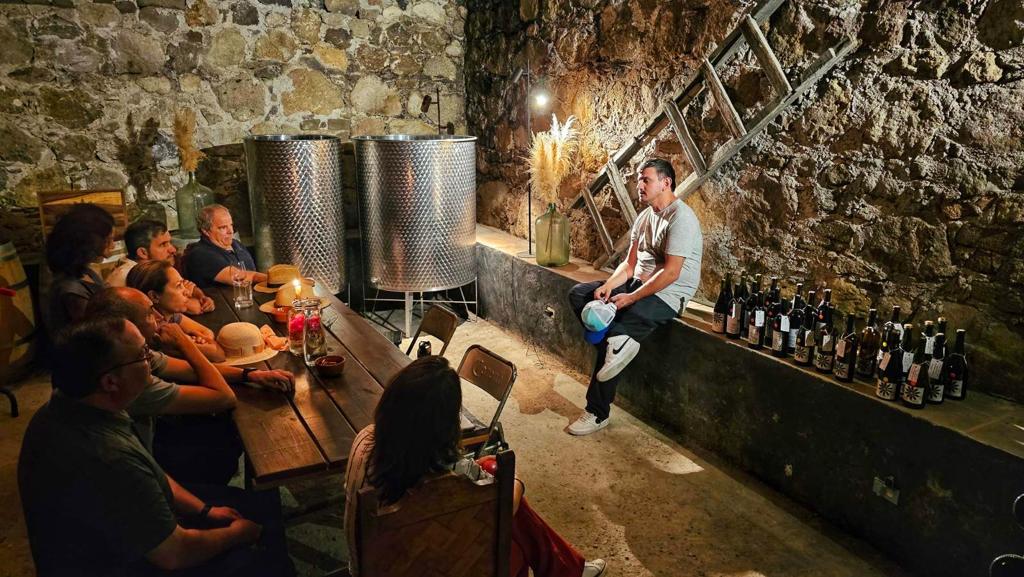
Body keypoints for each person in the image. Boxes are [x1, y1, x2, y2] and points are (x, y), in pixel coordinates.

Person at [18, 317, 293, 577]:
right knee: (264, 543)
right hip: (115, 566)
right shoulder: (106, 454)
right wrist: (237, 534)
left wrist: (203, 510)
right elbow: (175, 554)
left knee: (261, 503)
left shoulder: (75, 407)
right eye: (143, 355)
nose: (151, 359)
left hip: (125, 541)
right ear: (110, 381)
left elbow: (149, 470)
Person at [344, 356, 607, 577]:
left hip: (372, 562)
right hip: (422, 562)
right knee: (514, 539)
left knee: (490, 471)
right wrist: (517, 481)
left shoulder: (366, 439)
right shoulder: (448, 474)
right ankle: (567, 569)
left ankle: (568, 567)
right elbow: (505, 507)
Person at [85, 287, 295, 487]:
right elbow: (223, 397)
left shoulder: (128, 352)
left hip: (154, 448)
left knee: (227, 429)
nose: (158, 316)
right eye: (149, 313)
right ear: (127, 327)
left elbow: (188, 370)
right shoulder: (131, 376)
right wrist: (184, 342)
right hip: (148, 473)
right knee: (233, 434)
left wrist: (251, 374)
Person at [567, 158, 703, 435]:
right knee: (580, 294)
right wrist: (610, 285)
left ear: (666, 183)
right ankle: (611, 345)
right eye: (639, 179)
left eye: (646, 179)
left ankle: (597, 413)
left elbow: (671, 273)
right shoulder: (644, 217)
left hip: (668, 294)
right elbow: (629, 265)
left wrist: (630, 298)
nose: (639, 185)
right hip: (638, 285)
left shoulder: (682, 218)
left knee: (617, 333)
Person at [107, 219, 215, 315]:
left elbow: (188, 286)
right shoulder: (133, 274)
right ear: (143, 253)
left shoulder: (151, 267)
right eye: (163, 244)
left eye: (170, 243)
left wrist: (201, 297)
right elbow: (195, 308)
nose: (172, 249)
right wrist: (192, 297)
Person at [127, 260, 226, 362]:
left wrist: (196, 339)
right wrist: (190, 342)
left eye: (183, 284)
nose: (187, 292)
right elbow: (217, 354)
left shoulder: (167, 314)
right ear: (154, 296)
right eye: (178, 286)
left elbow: (206, 332)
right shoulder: (157, 333)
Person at [44, 203, 115, 338]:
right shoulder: (72, 291)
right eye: (109, 240)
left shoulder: (85, 271)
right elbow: (96, 334)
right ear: (90, 242)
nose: (113, 246)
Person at [182, 204, 267, 288]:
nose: (231, 231)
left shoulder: (236, 244)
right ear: (206, 231)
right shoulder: (200, 254)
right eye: (223, 227)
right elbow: (240, 278)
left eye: (231, 225)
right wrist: (271, 279)